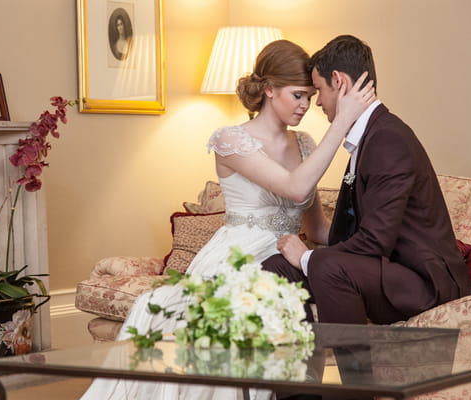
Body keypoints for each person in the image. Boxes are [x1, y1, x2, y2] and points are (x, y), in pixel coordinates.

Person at [80, 39, 375, 400]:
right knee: (231, 316)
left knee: (282, 312)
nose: (305, 106)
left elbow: (317, 230)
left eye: (311, 98)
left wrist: (373, 241)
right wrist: (343, 121)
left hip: (286, 258)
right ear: (269, 90)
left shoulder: (306, 144)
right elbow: (295, 190)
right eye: (297, 95)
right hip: (237, 257)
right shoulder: (231, 140)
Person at [262, 34, 471, 329]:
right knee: (276, 269)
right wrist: (302, 258)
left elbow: (375, 240)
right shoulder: (369, 134)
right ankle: (302, 366)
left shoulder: (388, 138)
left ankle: (356, 371)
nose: (318, 102)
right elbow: (353, 232)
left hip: (424, 282)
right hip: (388, 270)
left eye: (319, 90)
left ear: (339, 82)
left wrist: (308, 257)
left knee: (326, 265)